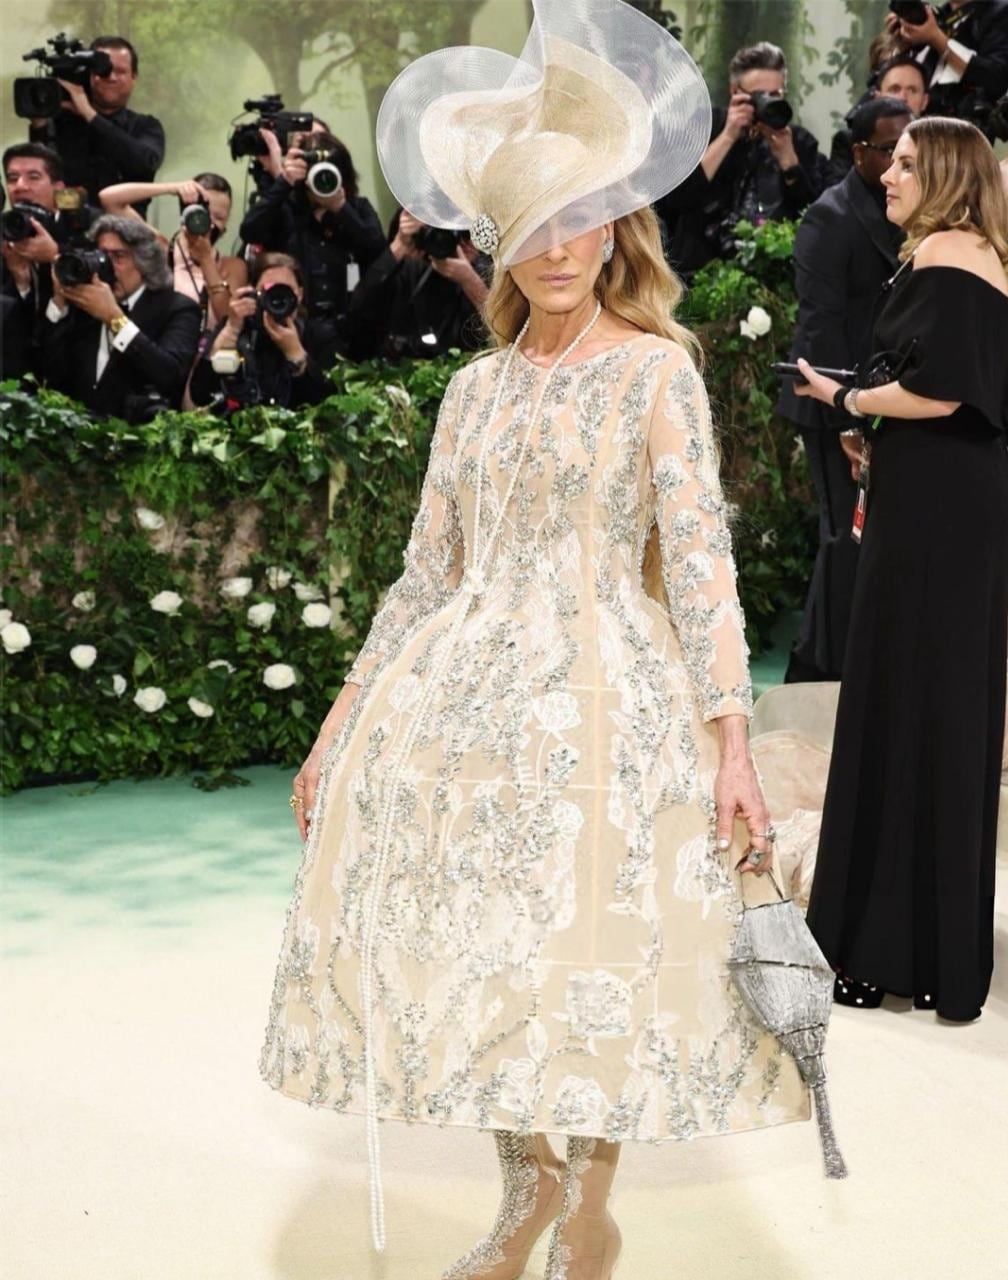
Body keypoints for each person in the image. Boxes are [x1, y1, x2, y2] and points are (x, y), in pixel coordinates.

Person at [260, 3, 822, 1276]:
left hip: (607, 698)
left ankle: (587, 1202)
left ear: (615, 224)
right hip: (463, 699)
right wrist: (337, 727)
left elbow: (699, 562)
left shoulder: (656, 372)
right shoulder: (471, 391)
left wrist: (734, 738)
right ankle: (524, 1188)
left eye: (580, 216)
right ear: (499, 243)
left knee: (589, 948)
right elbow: (419, 579)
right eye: (532, 225)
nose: (559, 247)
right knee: (486, 944)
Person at [793, 117, 1008, 1023]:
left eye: (908, 164)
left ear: (950, 177)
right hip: (953, 501)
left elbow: (943, 389)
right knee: (941, 708)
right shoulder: (983, 254)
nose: (888, 174)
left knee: (899, 700)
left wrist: (840, 395)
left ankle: (879, 948)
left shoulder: (952, 256)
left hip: (936, 518)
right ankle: (930, 953)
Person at [778, 97, 911, 683]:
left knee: (861, 544)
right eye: (888, 149)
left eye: (906, 150)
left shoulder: (905, 209)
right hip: (832, 406)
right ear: (859, 151)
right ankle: (817, 675)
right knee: (842, 540)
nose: (897, 163)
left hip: (881, 402)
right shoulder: (829, 218)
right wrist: (848, 418)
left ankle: (843, 665)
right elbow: (820, 327)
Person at [657, 41, 830, 279]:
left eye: (775, 95)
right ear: (735, 92)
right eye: (759, 96)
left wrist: (790, 164)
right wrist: (728, 136)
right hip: (701, 275)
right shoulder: (705, 127)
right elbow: (676, 199)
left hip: (773, 279)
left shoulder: (799, 142)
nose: (767, 103)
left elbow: (812, 218)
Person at [40, 213, 201, 421]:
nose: (106, 265)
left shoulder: (178, 308)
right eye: (101, 255)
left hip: (141, 440)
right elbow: (50, 375)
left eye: (118, 257)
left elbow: (169, 375)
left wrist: (113, 318)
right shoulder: (85, 306)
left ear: (145, 262)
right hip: (78, 438)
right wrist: (59, 303)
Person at [238, 130, 384, 356]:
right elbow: (250, 230)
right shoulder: (286, 210)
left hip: (349, 329)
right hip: (292, 324)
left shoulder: (358, 209)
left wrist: (341, 209)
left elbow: (377, 251)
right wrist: (284, 181)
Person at [28, 36, 165, 214]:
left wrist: (90, 115)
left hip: (127, 234)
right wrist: (40, 125)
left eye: (121, 71)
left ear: (134, 77)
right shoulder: (60, 124)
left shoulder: (145, 126)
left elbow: (144, 165)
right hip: (65, 235)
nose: (112, 78)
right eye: (104, 71)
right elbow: (43, 192)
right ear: (90, 76)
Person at [98, 173, 248, 330]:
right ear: (186, 212)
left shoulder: (233, 267)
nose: (209, 223)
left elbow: (227, 322)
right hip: (166, 348)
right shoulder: (160, 249)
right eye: (204, 213)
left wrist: (206, 261)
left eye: (219, 217)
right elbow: (109, 199)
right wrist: (172, 188)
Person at [189, 251, 329, 412]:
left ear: (300, 294)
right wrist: (231, 331)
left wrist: (295, 353)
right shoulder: (239, 329)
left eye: (286, 290)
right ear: (254, 291)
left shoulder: (318, 335)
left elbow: (325, 405)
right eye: (269, 289)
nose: (277, 297)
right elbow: (202, 395)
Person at [2, 143, 97, 373]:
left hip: (75, 369)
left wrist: (55, 255)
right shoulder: (5, 235)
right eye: (13, 178)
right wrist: (21, 282)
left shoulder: (86, 229)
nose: (20, 186)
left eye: (33, 177)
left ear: (58, 189)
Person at [346, 208, 489, 359]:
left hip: (467, 363)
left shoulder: (481, 269)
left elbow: (502, 327)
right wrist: (399, 246)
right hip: (407, 366)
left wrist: (470, 280)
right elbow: (357, 310)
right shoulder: (408, 269)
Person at [887, 0, 1008, 135]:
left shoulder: (998, 12)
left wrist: (936, 39)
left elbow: (996, 77)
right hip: (915, 127)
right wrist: (902, 46)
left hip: (962, 132)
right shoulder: (935, 16)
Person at [827, 55, 930, 183]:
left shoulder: (939, 146)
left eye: (912, 90)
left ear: (925, 101)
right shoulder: (851, 141)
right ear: (877, 96)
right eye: (894, 89)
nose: (903, 97)